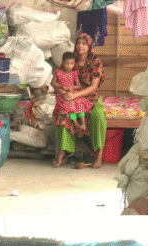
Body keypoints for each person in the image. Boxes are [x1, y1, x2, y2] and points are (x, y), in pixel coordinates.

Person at [52, 33, 107, 169]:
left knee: (98, 116)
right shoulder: (71, 59)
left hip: (90, 97)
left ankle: (99, 154)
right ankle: (64, 152)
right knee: (62, 114)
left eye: (84, 43)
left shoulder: (95, 62)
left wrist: (76, 96)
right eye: (78, 43)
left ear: (89, 46)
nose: (80, 46)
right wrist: (63, 92)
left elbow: (93, 87)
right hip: (70, 95)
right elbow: (58, 80)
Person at [51, 52, 93, 166]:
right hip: (62, 96)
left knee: (77, 104)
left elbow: (78, 86)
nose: (69, 66)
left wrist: (72, 88)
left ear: (74, 64)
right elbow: (53, 83)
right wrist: (61, 88)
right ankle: (75, 122)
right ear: (62, 63)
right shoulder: (59, 73)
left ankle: (82, 123)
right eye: (67, 63)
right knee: (69, 108)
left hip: (72, 94)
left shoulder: (74, 73)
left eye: (71, 64)